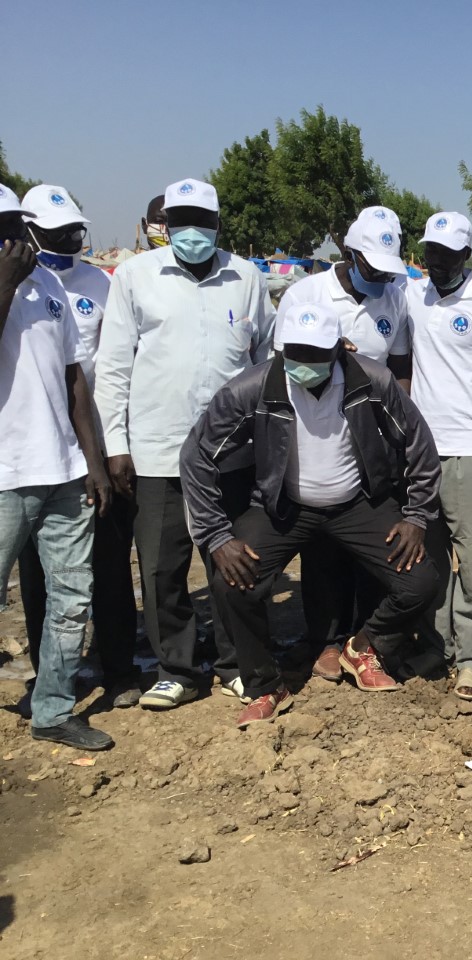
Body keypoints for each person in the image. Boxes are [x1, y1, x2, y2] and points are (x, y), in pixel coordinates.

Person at [180, 299, 441, 726]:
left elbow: (418, 443)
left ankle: (364, 646)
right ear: (280, 350)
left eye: (318, 354)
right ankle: (266, 684)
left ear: (339, 347)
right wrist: (216, 536)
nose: (306, 364)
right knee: (231, 582)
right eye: (296, 354)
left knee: (421, 579)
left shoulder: (370, 380)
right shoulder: (251, 388)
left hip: (357, 502)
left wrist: (415, 516)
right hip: (284, 506)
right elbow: (196, 455)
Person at [94, 178, 275, 710]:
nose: (192, 231)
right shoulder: (133, 277)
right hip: (157, 449)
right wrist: (116, 445)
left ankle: (233, 662)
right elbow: (113, 367)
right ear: (164, 225)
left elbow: (266, 359)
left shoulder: (246, 277)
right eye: (181, 221)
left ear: (219, 225)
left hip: (232, 454)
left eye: (203, 221)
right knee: (160, 567)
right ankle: (177, 668)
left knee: (234, 561)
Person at [12, 185, 141, 714]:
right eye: (58, 232)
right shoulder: (20, 284)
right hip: (31, 452)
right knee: (38, 575)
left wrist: (106, 451)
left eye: (75, 231)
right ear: (30, 231)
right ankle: (51, 674)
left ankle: (119, 667)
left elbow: (99, 371)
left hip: (94, 444)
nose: (69, 239)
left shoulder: (97, 283)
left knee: (109, 565)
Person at [273, 206, 411, 681]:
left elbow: (398, 368)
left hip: (370, 440)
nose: (380, 277)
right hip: (317, 436)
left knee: (371, 544)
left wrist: (397, 432)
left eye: (386, 270)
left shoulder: (393, 297)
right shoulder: (305, 293)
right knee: (324, 546)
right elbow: (282, 366)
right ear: (350, 254)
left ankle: (362, 638)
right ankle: (325, 640)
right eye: (371, 266)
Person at [0, 183, 113, 749]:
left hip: (63, 469)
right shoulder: (16, 280)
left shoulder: (49, 286)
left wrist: (91, 459)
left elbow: (75, 380)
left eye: (16, 225)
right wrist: (6, 283)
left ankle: (53, 710)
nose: (13, 237)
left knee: (71, 599)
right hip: (5, 477)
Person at [405, 212, 472, 701]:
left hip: (470, 453)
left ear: (466, 256)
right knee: (427, 563)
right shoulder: (412, 295)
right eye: (430, 252)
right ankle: (437, 647)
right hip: (419, 454)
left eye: (446, 255)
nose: (435, 263)